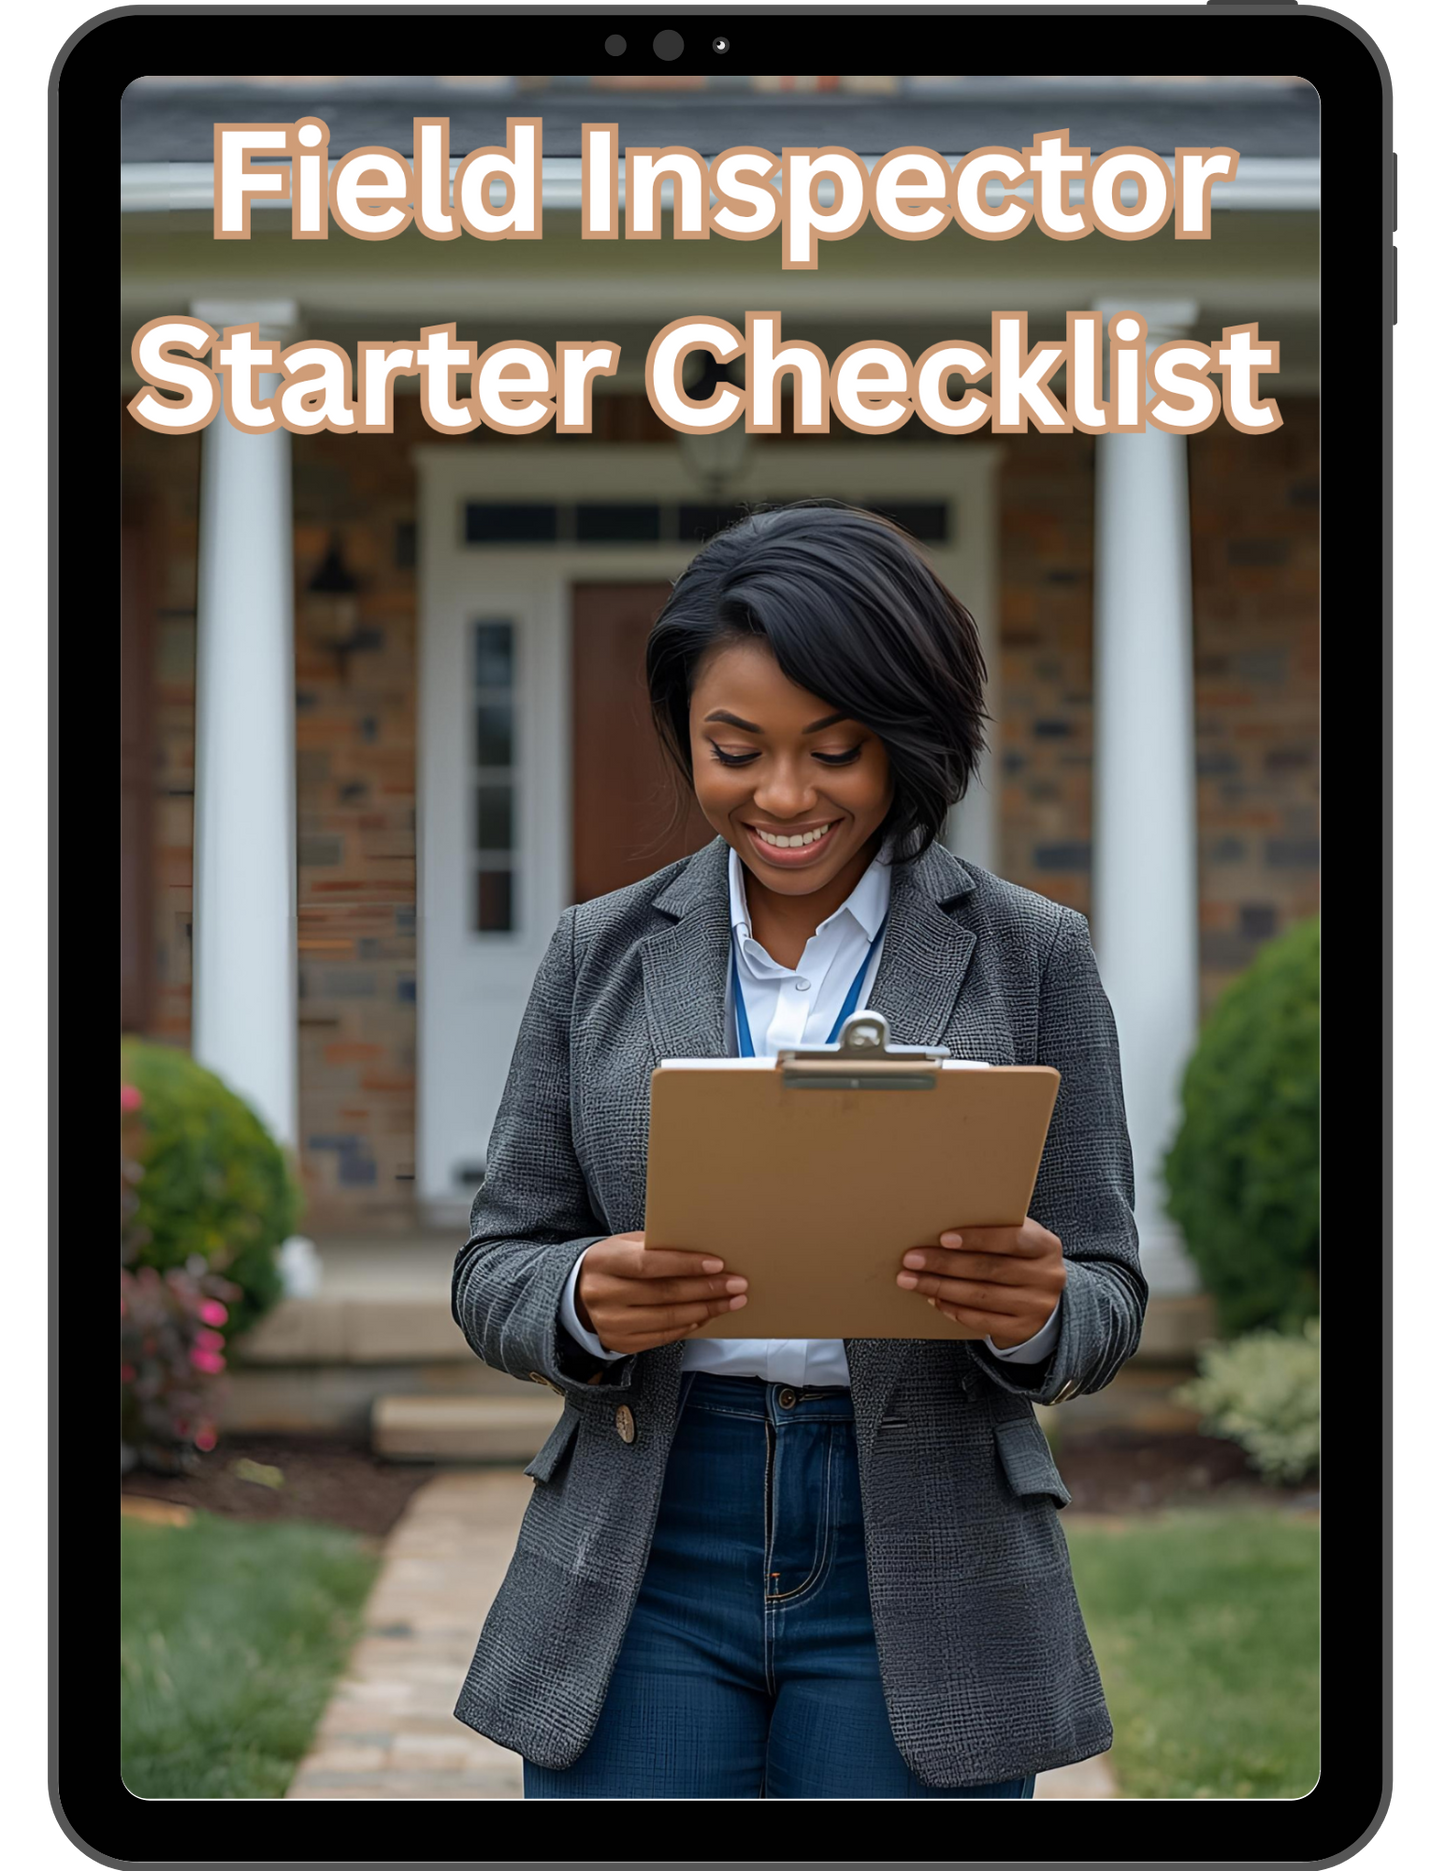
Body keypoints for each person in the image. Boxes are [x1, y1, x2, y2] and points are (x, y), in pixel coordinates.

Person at [451, 499, 1145, 1799]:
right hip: (650, 1537)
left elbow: (1108, 1288)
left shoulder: (1030, 950)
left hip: (928, 1544)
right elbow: (495, 1261)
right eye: (736, 748)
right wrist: (579, 1293)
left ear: (908, 740)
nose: (782, 796)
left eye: (835, 750)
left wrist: (1040, 1309)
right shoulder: (595, 952)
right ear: (688, 737)